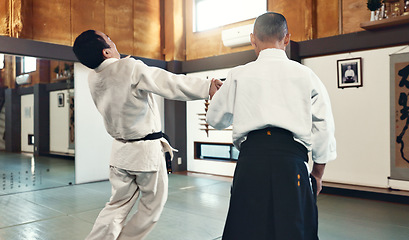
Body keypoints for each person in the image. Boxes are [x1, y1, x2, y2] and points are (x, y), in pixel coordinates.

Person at [72, 30, 222, 240]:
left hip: (119, 153)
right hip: (145, 154)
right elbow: (169, 83)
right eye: (110, 40)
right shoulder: (129, 68)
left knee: (116, 206)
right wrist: (207, 86)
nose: (114, 43)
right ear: (106, 52)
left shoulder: (93, 78)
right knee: (152, 207)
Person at [206, 12, 336, 240]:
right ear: (286, 39)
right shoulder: (306, 76)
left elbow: (215, 120)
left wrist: (219, 98)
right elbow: (324, 126)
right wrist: (317, 173)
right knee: (295, 231)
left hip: (251, 163)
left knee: (246, 231)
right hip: (291, 163)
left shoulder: (238, 75)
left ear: (252, 39)